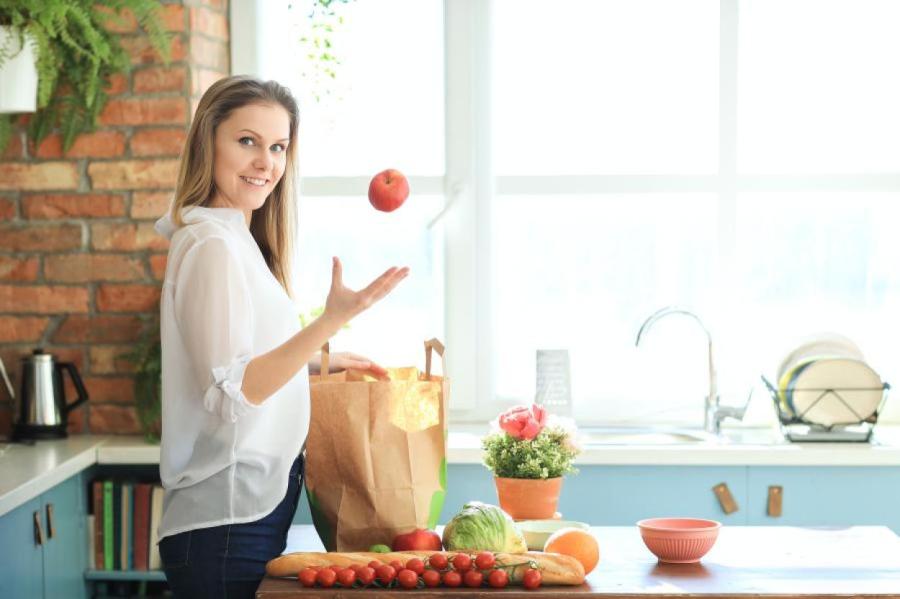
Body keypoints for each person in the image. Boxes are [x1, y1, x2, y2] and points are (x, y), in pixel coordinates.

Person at [152, 75, 409, 598]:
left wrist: (320, 362)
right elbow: (232, 394)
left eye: (277, 147)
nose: (265, 162)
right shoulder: (212, 246)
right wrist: (330, 321)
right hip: (224, 526)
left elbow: (237, 364)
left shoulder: (233, 240)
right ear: (209, 141)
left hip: (242, 517)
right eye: (246, 141)